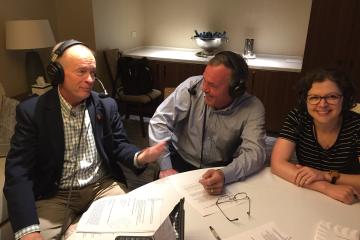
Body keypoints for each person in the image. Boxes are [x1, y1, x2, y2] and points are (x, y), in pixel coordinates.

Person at [3, 39, 166, 240]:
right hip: (55, 195)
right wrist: (29, 231)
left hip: (103, 187)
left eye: (93, 73)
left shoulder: (106, 106)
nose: (90, 79)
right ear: (57, 74)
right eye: (81, 71)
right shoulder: (32, 112)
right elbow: (18, 172)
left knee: (134, 230)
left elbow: (118, 145)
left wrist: (140, 156)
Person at [149, 51, 266, 195]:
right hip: (178, 160)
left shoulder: (252, 107)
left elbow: (255, 153)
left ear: (236, 90)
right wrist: (166, 167)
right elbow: (158, 122)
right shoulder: (192, 86)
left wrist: (225, 174)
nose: (204, 88)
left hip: (219, 169)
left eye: (213, 85)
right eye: (205, 80)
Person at [271, 68, 360, 204]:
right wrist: (325, 187)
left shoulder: (357, 126)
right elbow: (277, 164)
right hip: (309, 195)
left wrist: (326, 175)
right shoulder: (298, 117)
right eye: (314, 97)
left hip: (349, 199)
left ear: (344, 98)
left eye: (332, 97)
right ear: (305, 100)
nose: (322, 104)